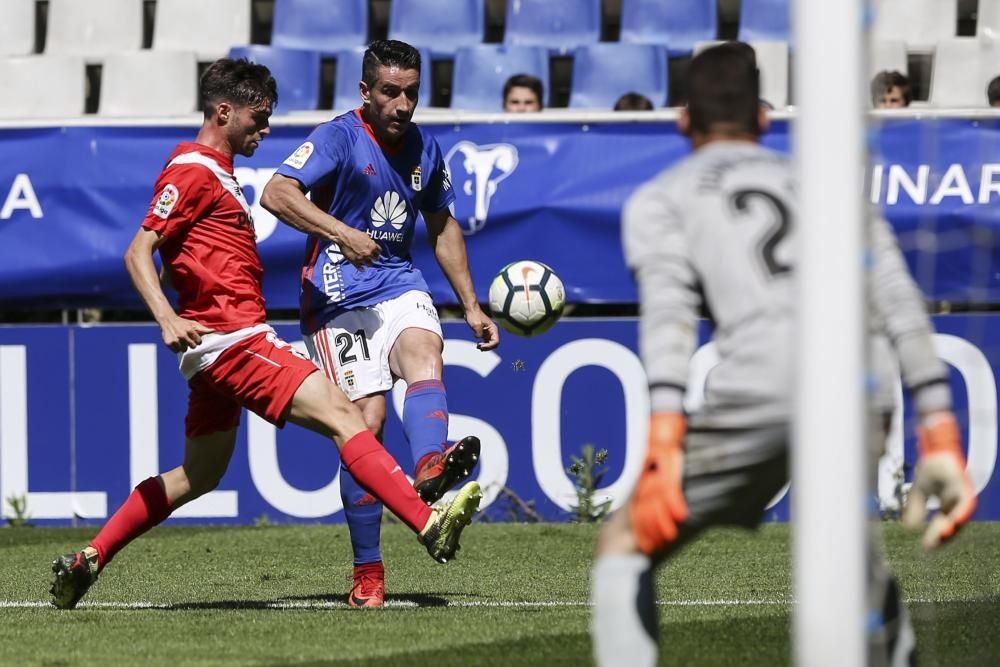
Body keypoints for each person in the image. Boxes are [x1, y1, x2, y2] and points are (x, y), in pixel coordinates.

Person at [590, 43, 977, 666]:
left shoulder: (662, 197)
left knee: (624, 545)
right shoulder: (828, 187)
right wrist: (938, 427)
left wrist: (665, 431)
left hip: (759, 393)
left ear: (684, 119)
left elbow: (669, 317)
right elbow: (899, 300)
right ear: (764, 119)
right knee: (852, 561)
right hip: (860, 390)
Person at [49, 58, 482, 611]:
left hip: (214, 351)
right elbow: (138, 252)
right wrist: (166, 317)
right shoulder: (193, 171)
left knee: (197, 475)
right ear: (224, 111)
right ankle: (428, 524)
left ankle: (92, 556)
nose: (266, 129)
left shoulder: (216, 173)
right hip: (234, 341)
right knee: (349, 420)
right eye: (258, 118)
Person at [260, 40, 500, 608]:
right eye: (390, 92)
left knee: (423, 349)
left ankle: (429, 467)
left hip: (396, 281)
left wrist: (470, 303)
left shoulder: (425, 147)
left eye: (411, 92)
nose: (402, 104)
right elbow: (275, 192)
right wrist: (341, 233)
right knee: (364, 426)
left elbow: (442, 226)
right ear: (365, 92)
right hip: (335, 294)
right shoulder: (339, 136)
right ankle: (368, 570)